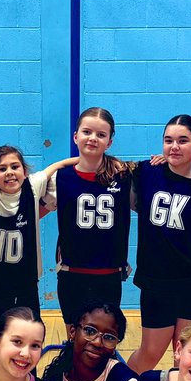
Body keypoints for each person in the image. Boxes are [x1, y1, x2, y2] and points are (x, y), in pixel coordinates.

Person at [0, 145, 76, 364]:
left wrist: (106, 161)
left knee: (28, 346)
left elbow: (58, 165)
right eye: (1, 169)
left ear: (24, 171)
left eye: (15, 166)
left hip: (25, 289)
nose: (10, 172)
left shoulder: (32, 187)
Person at [126, 115, 191, 373]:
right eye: (169, 141)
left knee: (186, 358)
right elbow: (101, 166)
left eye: (182, 141)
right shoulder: (147, 172)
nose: (175, 147)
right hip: (157, 283)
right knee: (150, 353)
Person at [53, 107, 133, 323]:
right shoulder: (60, 178)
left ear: (110, 142)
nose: (93, 138)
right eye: (87, 132)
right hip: (72, 274)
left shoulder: (124, 177)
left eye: (101, 134)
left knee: (103, 337)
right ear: (75, 136)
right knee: (74, 338)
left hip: (108, 274)